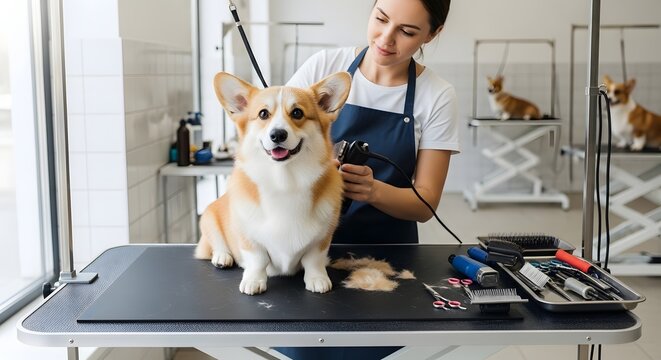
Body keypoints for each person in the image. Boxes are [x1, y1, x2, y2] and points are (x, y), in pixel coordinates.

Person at [277, 0, 457, 358]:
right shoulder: (325, 69)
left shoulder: (437, 96)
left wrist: (373, 190)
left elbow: (425, 203)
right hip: (305, 249)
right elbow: (276, 148)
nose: (386, 39)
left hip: (386, 260)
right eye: (380, 19)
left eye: (407, 32)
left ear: (433, 34)